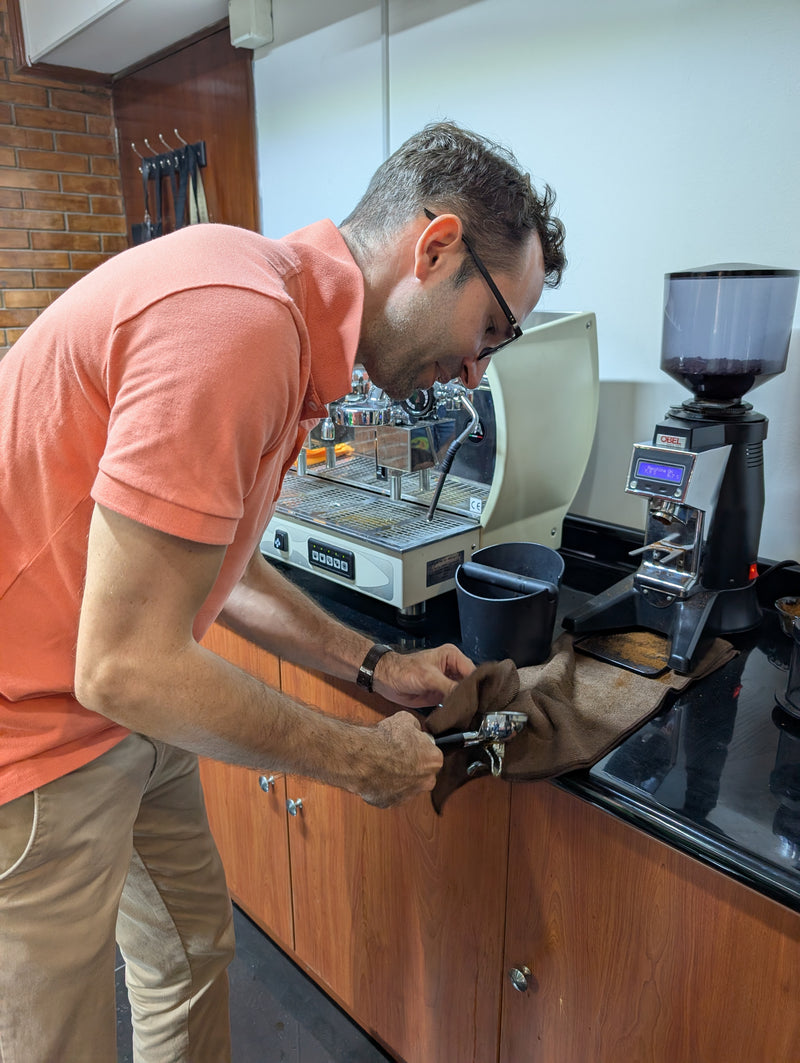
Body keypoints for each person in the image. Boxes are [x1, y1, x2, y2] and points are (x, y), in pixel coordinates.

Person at [0, 121, 566, 1062]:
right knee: (58, 1039)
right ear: (435, 249)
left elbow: (209, 559)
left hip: (118, 711)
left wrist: (373, 661)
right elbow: (128, 661)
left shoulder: (289, 325)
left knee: (188, 952)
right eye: (493, 329)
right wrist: (355, 757)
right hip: (35, 729)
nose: (476, 368)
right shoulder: (237, 320)